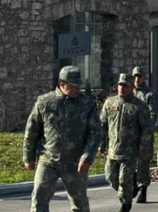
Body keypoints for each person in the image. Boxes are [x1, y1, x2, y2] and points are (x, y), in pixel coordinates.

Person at [23, 66, 102, 212]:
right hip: (48, 159)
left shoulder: (87, 104)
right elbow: (32, 130)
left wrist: (87, 157)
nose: (77, 89)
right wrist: (28, 157)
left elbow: (95, 133)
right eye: (73, 86)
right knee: (39, 199)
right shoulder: (45, 102)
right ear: (62, 84)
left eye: (79, 86)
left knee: (80, 203)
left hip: (75, 162)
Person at [100, 73, 153, 212]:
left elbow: (146, 129)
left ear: (131, 87)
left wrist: (143, 148)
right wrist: (102, 143)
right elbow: (103, 125)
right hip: (112, 149)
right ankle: (129, 190)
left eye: (125, 85)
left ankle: (126, 204)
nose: (121, 88)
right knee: (110, 176)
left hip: (130, 151)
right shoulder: (110, 102)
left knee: (124, 180)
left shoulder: (139, 106)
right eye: (120, 84)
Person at [131, 66, 157, 204]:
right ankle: (134, 184)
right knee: (130, 162)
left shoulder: (149, 94)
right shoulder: (130, 92)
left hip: (144, 135)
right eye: (135, 76)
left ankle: (143, 189)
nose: (136, 79)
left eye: (139, 76)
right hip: (130, 136)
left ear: (144, 78)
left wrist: (144, 130)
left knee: (143, 163)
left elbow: (152, 115)